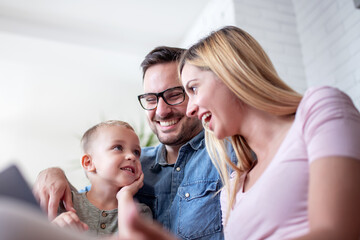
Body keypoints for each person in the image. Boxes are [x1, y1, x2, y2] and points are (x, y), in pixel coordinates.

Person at [177, 26, 360, 239]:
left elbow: (339, 231)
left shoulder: (318, 109)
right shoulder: (232, 189)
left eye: (194, 89)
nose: (190, 110)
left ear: (229, 72)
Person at [33, 46, 230, 239]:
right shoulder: (132, 166)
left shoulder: (228, 153)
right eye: (151, 99)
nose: (161, 111)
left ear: (194, 93)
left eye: (174, 95)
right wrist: (52, 174)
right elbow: (91, 199)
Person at [52, 120, 152, 236]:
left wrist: (125, 196)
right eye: (118, 148)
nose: (132, 156)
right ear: (88, 162)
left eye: (136, 152)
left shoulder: (140, 213)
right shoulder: (64, 203)